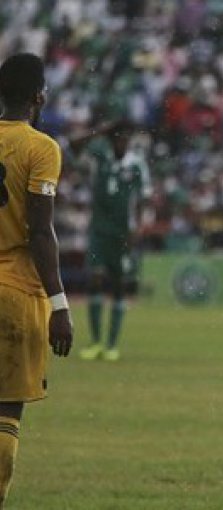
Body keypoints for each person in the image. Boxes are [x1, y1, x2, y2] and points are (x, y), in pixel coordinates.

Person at [0, 52, 74, 507]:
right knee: (6, 414)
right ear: (37, 96)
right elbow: (40, 230)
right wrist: (60, 305)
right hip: (16, 290)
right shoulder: (40, 147)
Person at [70, 120, 151, 362]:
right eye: (117, 138)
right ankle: (96, 342)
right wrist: (99, 130)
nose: (122, 142)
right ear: (111, 139)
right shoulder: (99, 157)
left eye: (125, 138)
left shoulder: (136, 164)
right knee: (95, 280)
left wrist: (138, 227)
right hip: (99, 230)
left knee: (118, 286)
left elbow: (143, 198)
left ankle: (112, 345)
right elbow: (73, 146)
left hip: (123, 233)